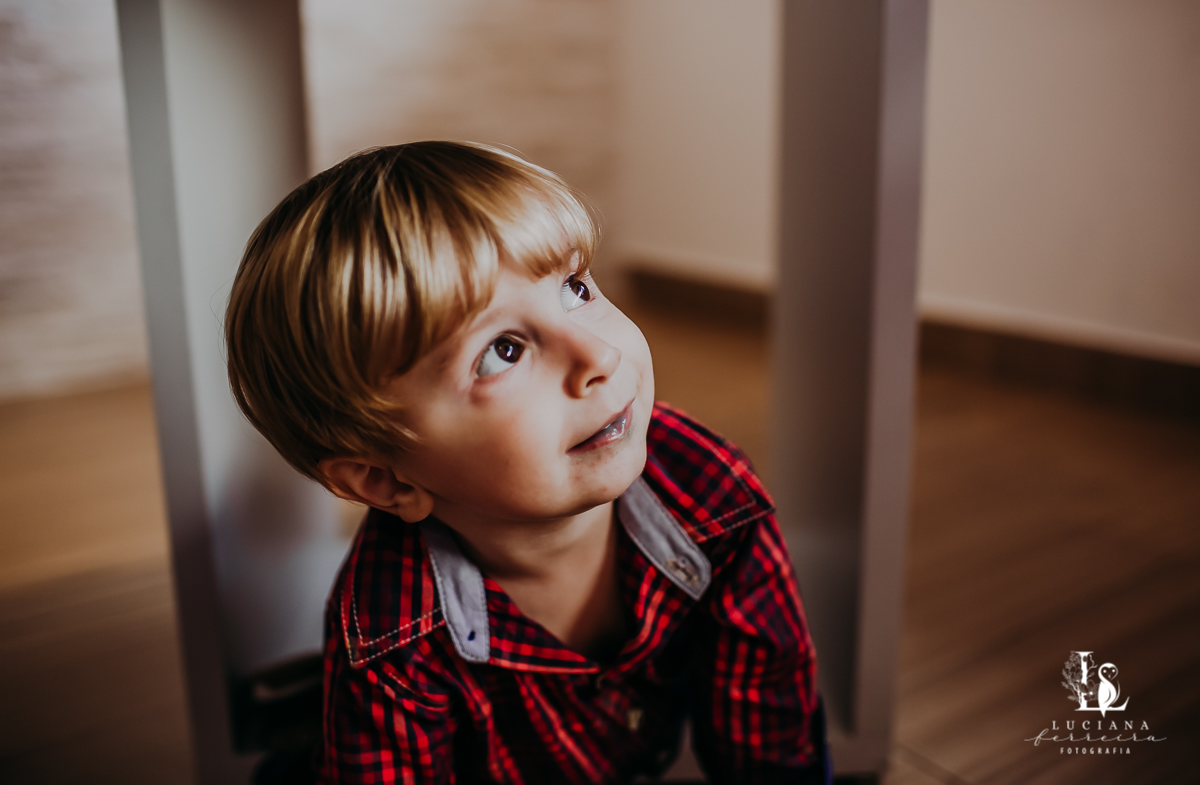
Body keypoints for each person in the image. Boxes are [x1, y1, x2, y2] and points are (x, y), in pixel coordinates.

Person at [225, 141, 829, 784]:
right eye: (501, 351)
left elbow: (770, 720)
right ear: (385, 477)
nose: (595, 354)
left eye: (574, 289)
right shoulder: (391, 635)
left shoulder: (709, 495)